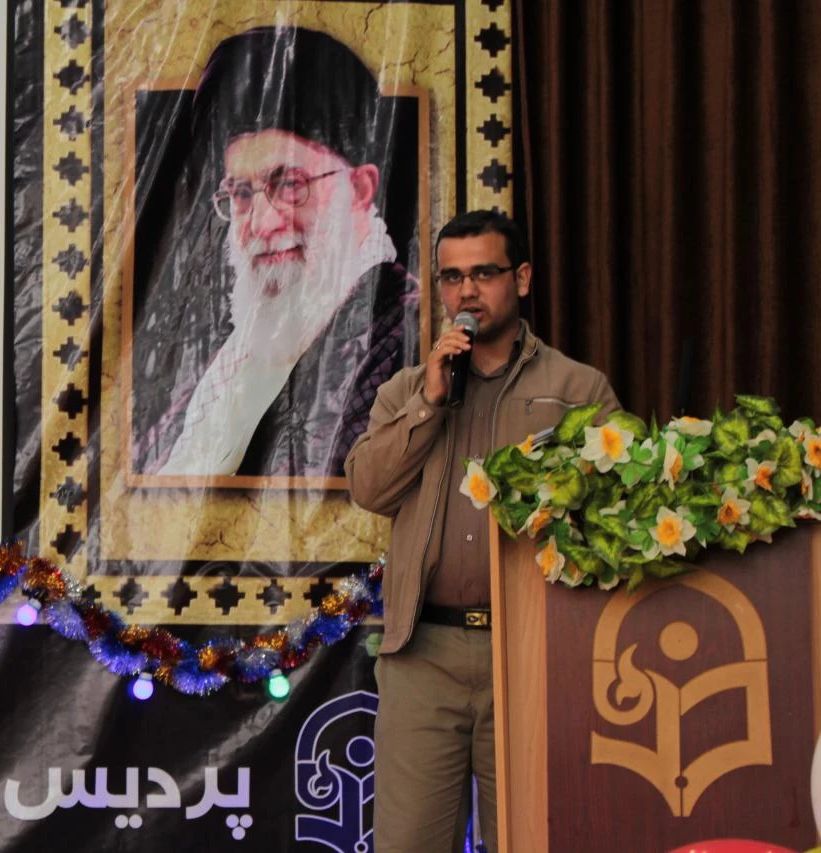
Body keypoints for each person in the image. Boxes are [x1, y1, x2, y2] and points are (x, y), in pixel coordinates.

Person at [344, 210, 620, 852]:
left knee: (533, 840)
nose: (466, 291)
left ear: (520, 279)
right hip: (424, 653)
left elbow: (614, 518)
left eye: (484, 274)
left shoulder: (576, 388)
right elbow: (369, 489)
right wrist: (430, 402)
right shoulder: (407, 390)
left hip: (534, 654)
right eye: (451, 278)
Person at [138, 25, 418, 480]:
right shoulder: (235, 353)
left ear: (360, 189)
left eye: (289, 184)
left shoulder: (404, 329)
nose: (262, 223)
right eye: (241, 193)